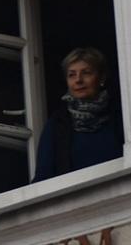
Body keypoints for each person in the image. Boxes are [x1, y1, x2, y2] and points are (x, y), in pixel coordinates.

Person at [32, 47, 124, 182]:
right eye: (72, 75)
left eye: (86, 73)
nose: (78, 80)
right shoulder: (57, 124)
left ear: (101, 77)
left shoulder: (118, 115)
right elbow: (43, 177)